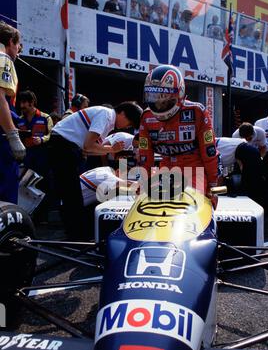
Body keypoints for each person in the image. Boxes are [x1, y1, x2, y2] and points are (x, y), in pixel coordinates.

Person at [49, 102, 142, 240]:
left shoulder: (107, 122)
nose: (128, 127)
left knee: (72, 196)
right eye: (129, 123)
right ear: (122, 113)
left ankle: (75, 235)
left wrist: (109, 150)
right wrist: (112, 149)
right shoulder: (106, 115)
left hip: (69, 148)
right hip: (63, 146)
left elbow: (89, 150)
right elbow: (88, 146)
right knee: (72, 196)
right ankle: (76, 238)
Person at [139, 64, 218, 203]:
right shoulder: (146, 117)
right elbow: (145, 157)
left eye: (163, 97)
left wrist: (212, 185)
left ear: (179, 94)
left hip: (194, 173)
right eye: (154, 96)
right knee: (148, 204)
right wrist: (143, 184)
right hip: (165, 172)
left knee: (190, 205)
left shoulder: (197, 112)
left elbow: (209, 153)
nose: (158, 103)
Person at [15, 90, 53, 221]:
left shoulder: (45, 117)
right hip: (26, 157)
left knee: (43, 186)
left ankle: (43, 216)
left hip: (42, 157)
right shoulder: (18, 120)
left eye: (24, 102)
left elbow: (52, 135)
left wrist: (42, 140)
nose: (22, 105)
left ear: (32, 103)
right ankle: (28, 214)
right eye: (21, 102)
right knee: (25, 186)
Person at [0, 20, 25, 204]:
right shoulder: (4, 59)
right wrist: (13, 135)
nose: (18, 50)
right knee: (6, 192)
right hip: (1, 138)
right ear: (10, 41)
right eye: (17, 45)